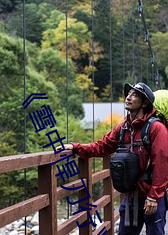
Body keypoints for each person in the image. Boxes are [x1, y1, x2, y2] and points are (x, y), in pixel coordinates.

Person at [56, 82, 168, 235]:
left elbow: (162, 163)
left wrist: (154, 197)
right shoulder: (123, 128)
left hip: (151, 196)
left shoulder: (156, 128)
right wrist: (75, 147)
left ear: (145, 103)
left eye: (134, 95)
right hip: (131, 196)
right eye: (128, 94)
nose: (128, 97)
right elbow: (102, 146)